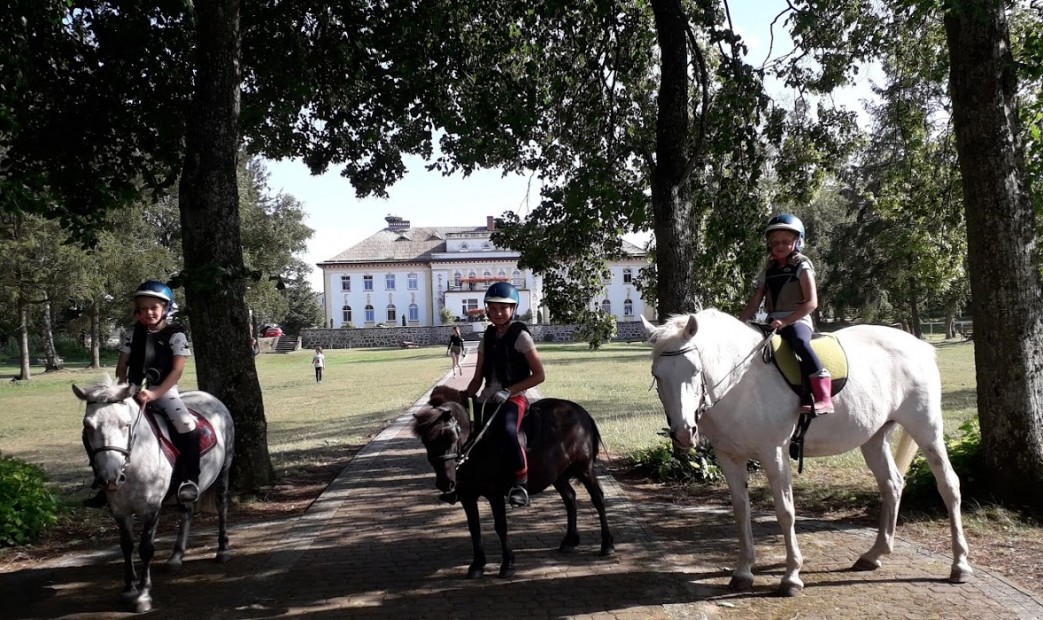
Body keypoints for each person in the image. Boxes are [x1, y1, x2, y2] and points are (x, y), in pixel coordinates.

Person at [84, 280, 199, 508]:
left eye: (154, 307)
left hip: (163, 391)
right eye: (143, 308)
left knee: (186, 425)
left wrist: (155, 395)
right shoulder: (131, 334)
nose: (148, 312)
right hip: (130, 391)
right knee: (94, 425)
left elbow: (176, 371)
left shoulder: (176, 335)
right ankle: (103, 478)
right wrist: (123, 389)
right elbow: (122, 366)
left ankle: (189, 479)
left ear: (165, 308)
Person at [739, 214, 834, 415]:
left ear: (797, 242)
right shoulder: (768, 270)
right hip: (773, 322)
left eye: (785, 241)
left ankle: (824, 397)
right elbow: (755, 302)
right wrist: (740, 323)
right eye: (775, 243)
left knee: (799, 341)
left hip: (798, 319)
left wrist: (786, 321)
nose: (779, 246)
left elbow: (812, 303)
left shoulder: (802, 266)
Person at [464, 282, 546, 507]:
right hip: (488, 397)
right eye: (493, 308)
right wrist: (464, 396)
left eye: (503, 308)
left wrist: (509, 390)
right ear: (487, 309)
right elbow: (477, 378)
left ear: (513, 309)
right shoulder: (487, 338)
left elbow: (539, 375)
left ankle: (521, 483)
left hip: (513, 397)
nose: (498, 313)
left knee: (509, 432)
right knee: (468, 434)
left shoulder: (521, 337)